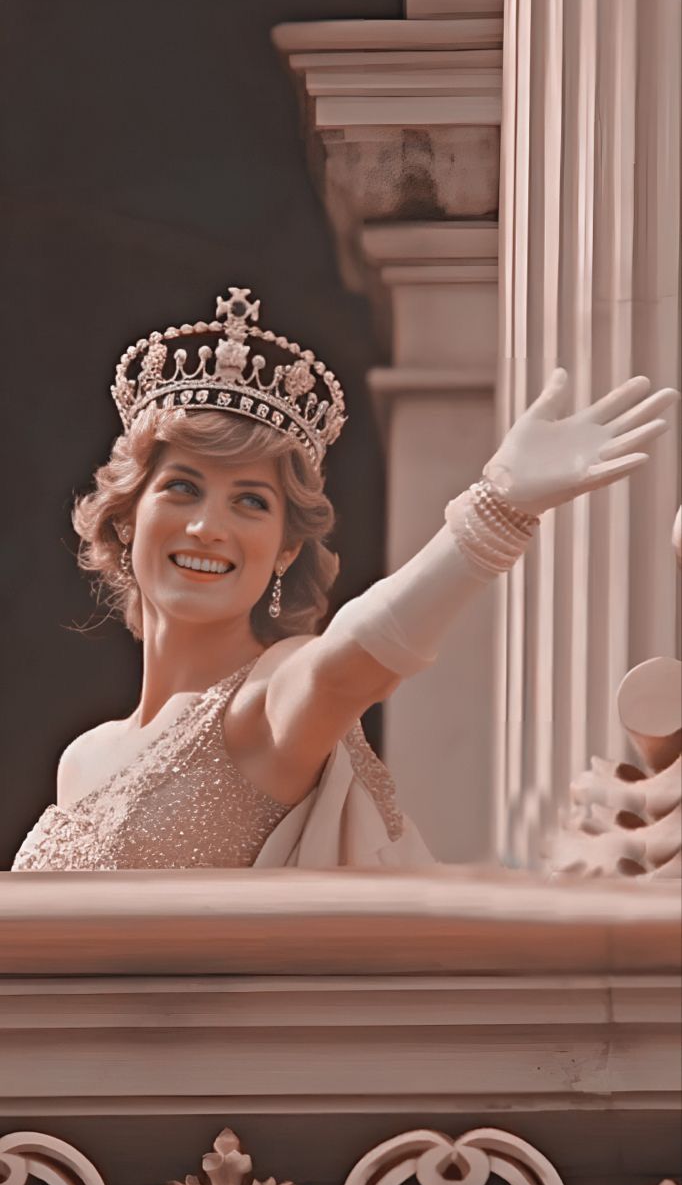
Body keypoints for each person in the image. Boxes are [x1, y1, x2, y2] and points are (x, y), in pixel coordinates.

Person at [11, 287, 679, 871]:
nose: (208, 526)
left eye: (251, 501)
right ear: (127, 520)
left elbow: (356, 655)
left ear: (283, 552)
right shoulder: (81, 758)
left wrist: (496, 508)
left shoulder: (271, 699)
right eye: (182, 488)